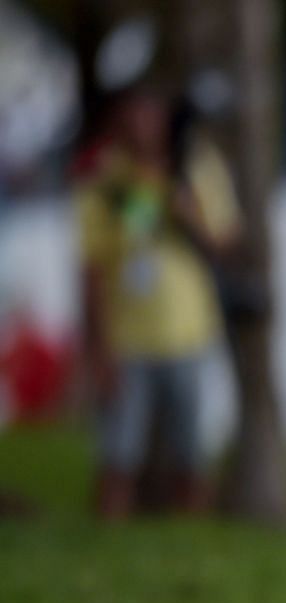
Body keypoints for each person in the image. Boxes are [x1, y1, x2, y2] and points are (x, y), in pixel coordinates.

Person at [75, 84, 238, 518]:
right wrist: (97, 347)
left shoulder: (195, 166)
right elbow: (91, 266)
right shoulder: (108, 178)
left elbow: (226, 241)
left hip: (190, 332)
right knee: (117, 455)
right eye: (130, 117)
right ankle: (107, 538)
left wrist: (187, 214)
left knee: (194, 454)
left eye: (149, 114)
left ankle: (198, 548)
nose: (140, 126)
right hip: (127, 338)